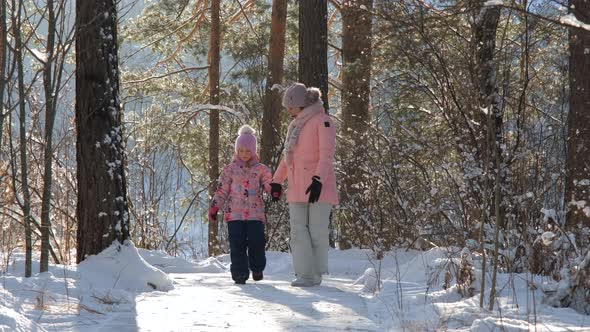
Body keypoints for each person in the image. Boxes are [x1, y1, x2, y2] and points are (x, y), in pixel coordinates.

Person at [270, 83, 338, 287]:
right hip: (297, 186)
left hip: (319, 187)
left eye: (290, 107)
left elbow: (326, 155)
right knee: (298, 231)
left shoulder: (323, 121)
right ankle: (304, 274)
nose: (288, 111)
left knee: (317, 231)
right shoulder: (296, 125)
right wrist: (276, 181)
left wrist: (318, 180)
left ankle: (315, 274)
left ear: (301, 104)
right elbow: (288, 157)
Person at [209, 125, 273, 284]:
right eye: (241, 151)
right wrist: (215, 206)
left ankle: (257, 268)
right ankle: (239, 273)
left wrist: (275, 191)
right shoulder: (229, 170)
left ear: (254, 151)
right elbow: (222, 190)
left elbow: (269, 184)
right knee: (237, 245)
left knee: (256, 243)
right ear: (237, 151)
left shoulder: (261, 169)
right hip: (234, 215)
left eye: (248, 151)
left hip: (255, 214)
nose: (244, 154)